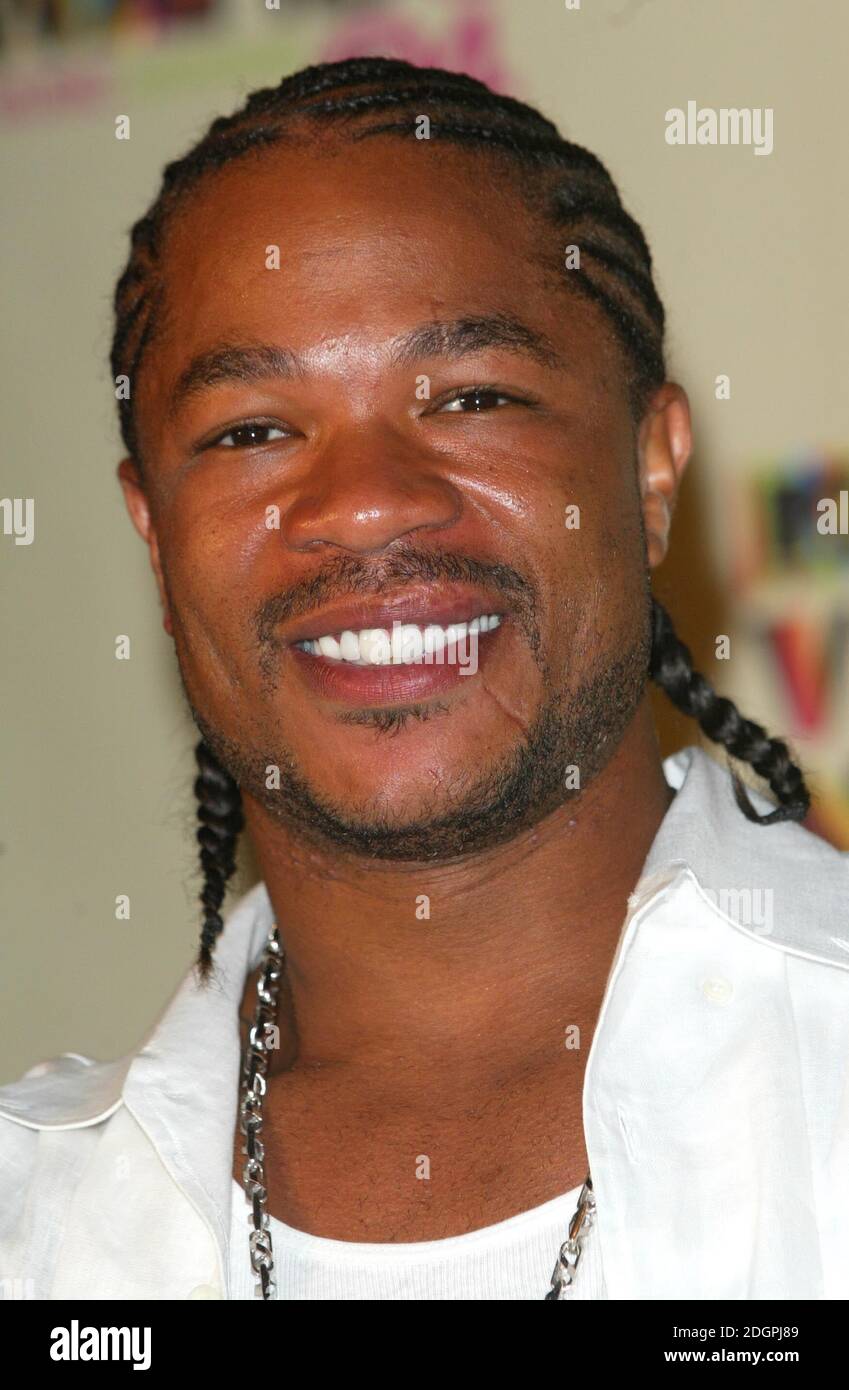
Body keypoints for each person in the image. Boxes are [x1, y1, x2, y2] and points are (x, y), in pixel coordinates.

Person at [1, 55, 846, 1303]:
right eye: (252, 430)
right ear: (154, 529)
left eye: (470, 396)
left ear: (652, 474)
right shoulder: (36, 1215)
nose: (363, 503)